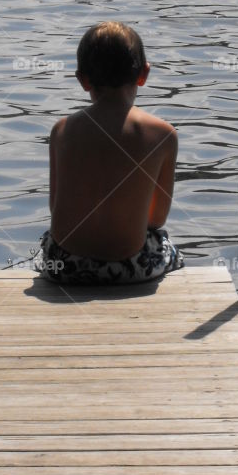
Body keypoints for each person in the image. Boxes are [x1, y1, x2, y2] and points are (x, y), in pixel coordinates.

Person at [39, 21, 182, 284]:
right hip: (131, 267)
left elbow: (55, 207)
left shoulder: (62, 130)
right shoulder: (163, 135)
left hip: (64, 265)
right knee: (167, 246)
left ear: (82, 80)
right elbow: (157, 219)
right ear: (144, 74)